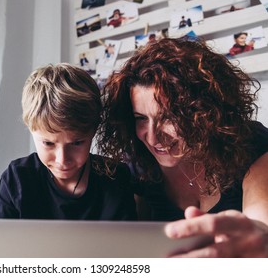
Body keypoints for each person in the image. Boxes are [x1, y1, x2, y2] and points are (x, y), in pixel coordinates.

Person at [97, 37, 268, 257]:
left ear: (205, 113)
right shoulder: (138, 164)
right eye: (140, 118)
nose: (152, 136)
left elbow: (260, 226)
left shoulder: (249, 143)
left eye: (168, 117)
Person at [0, 63, 137, 221]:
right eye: (48, 144)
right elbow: (3, 244)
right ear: (30, 128)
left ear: (94, 130)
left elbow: (128, 242)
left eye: (77, 143)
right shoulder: (16, 179)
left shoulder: (116, 177)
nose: (62, 160)